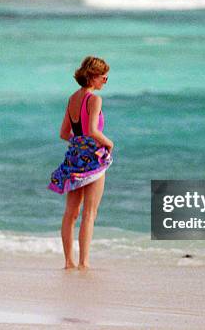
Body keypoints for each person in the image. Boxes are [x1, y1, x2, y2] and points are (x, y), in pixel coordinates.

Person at [48, 56, 114, 270]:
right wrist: (109, 143)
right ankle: (84, 263)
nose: (105, 80)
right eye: (104, 76)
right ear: (93, 76)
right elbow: (94, 131)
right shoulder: (94, 100)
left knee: (71, 212)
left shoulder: (72, 99)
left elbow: (63, 133)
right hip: (93, 160)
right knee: (89, 213)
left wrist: (79, 144)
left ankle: (68, 262)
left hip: (74, 159)